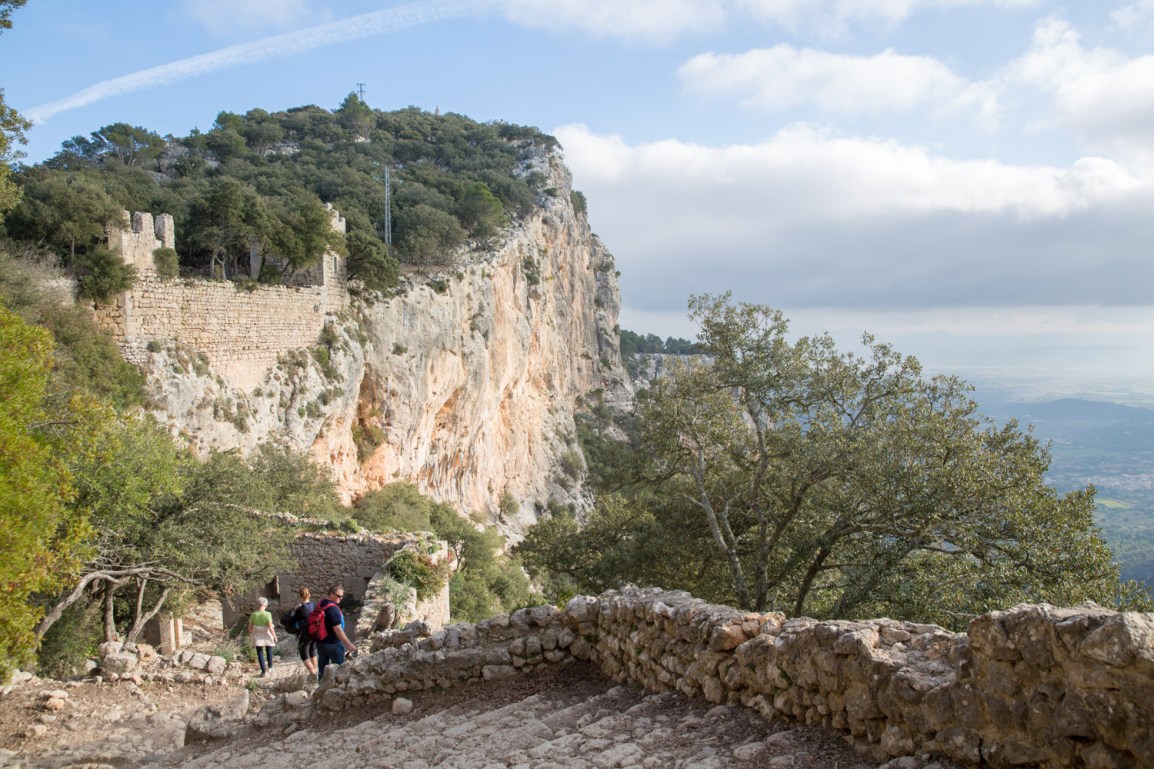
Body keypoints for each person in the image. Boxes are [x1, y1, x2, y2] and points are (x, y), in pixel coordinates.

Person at [314, 585, 357, 680]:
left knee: (322, 669)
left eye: (342, 596)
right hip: (333, 644)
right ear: (331, 594)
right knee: (338, 671)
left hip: (320, 642)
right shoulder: (333, 609)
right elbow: (338, 629)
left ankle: (321, 689)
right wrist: (349, 645)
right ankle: (336, 690)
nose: (340, 598)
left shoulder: (321, 603)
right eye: (338, 596)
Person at [247, 596, 277, 676]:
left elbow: (250, 627)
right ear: (266, 605)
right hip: (266, 634)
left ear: (258, 605)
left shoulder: (253, 615)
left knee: (259, 652)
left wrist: (250, 634)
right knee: (269, 650)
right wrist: (274, 636)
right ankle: (270, 667)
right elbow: (270, 627)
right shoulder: (268, 614)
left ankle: (263, 671)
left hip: (257, 635)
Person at [293, 587, 318, 676]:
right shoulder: (314, 605)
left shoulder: (300, 609)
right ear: (309, 595)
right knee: (313, 650)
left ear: (300, 596)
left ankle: (312, 673)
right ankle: (315, 671)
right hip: (315, 631)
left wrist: (295, 610)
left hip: (305, 633)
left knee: (303, 652)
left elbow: (294, 620)